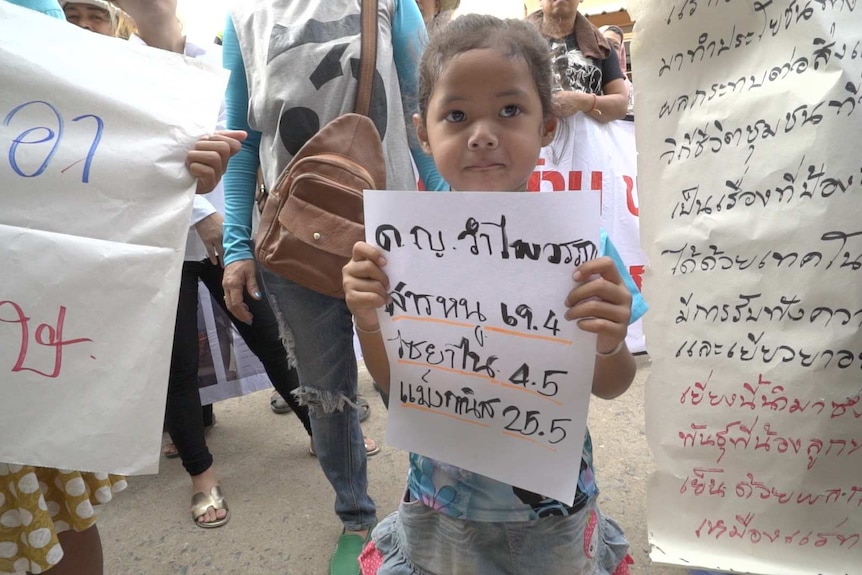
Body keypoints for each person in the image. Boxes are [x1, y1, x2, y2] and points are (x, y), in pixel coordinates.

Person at [342, 14, 646, 575]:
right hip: (442, 511)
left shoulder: (582, 249)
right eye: (456, 115)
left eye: (510, 110)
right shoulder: (404, 251)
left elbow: (613, 384)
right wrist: (367, 319)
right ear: (423, 133)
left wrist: (606, 343)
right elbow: (395, 384)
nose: (482, 133)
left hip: (554, 515)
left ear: (548, 126)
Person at [1, 1, 244, 572]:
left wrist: (178, 173)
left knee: (54, 521)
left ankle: (203, 468)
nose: (81, 24)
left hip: (31, 348)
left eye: (92, 14)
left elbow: (93, 144)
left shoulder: (32, 27)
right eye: (73, 13)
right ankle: (200, 472)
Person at [220, 1, 445, 572]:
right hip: (296, 243)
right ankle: (355, 517)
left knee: (414, 380)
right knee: (327, 392)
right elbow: (243, 138)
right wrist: (238, 248)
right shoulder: (242, 17)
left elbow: (424, 110)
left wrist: (450, 215)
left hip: (396, 237)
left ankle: (437, 503)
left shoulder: (393, 5)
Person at [528, 0, 628, 123]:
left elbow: (621, 105)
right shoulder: (517, 43)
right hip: (531, 140)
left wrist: (583, 102)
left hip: (587, 140)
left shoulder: (601, 46)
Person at [599, 24, 634, 116]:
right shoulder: (586, 77)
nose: (610, 49)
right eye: (606, 42)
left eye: (616, 46)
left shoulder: (629, 88)